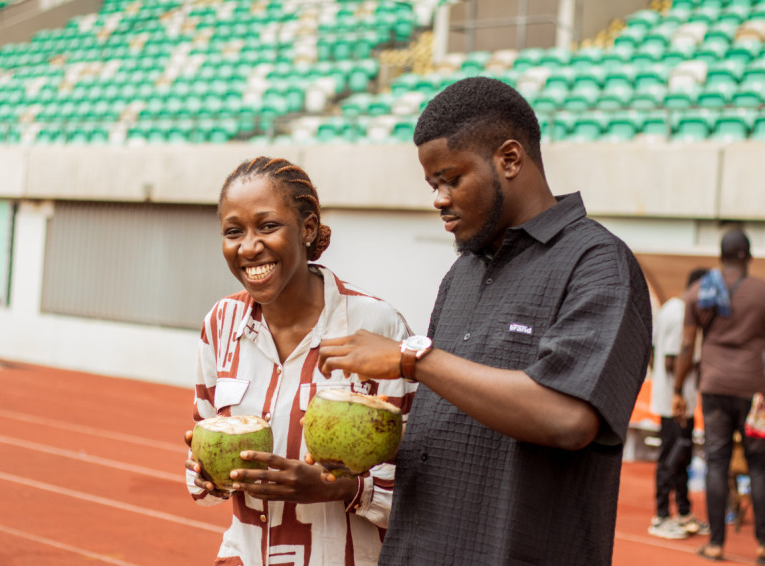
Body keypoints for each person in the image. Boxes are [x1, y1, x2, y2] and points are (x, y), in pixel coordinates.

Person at [317, 77, 652, 565]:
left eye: (451, 179)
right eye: (433, 184)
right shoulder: (462, 273)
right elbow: (450, 428)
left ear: (510, 159)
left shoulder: (598, 264)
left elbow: (568, 418)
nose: (438, 198)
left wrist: (414, 361)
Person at [183, 156, 417, 566]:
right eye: (233, 231)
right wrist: (207, 473)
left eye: (268, 226)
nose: (249, 246)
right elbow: (203, 477)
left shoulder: (377, 325)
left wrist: (340, 488)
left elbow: (421, 487)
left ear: (307, 229)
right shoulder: (220, 324)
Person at [672, 228, 765, 562]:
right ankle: (762, 545)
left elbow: (686, 345)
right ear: (749, 256)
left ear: (721, 256)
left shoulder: (698, 292)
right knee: (759, 466)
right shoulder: (761, 292)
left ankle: (715, 544)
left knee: (716, 463)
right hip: (754, 392)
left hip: (713, 388)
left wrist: (678, 389)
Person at [648, 267, 709, 539]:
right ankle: (661, 516)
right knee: (671, 457)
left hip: (675, 398)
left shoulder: (671, 307)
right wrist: (677, 393)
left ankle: (683, 512)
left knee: (681, 456)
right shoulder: (680, 312)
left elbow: (653, 352)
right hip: (676, 402)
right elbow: (671, 360)